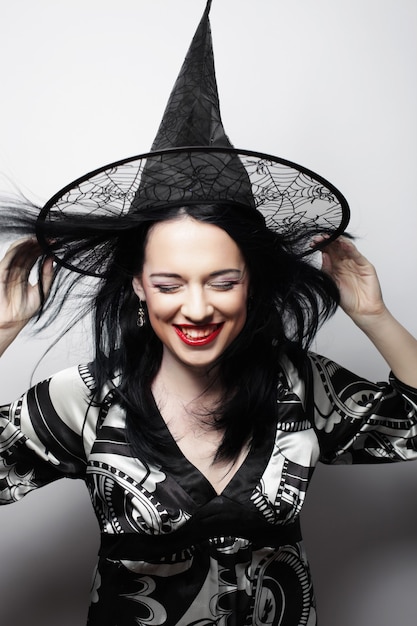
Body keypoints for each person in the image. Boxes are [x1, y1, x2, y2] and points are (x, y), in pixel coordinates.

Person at [1, 1, 417, 625]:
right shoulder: (84, 399)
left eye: (223, 281)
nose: (197, 307)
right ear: (138, 286)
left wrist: (375, 315)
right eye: (169, 283)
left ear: (251, 284)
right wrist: (3, 328)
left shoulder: (299, 383)